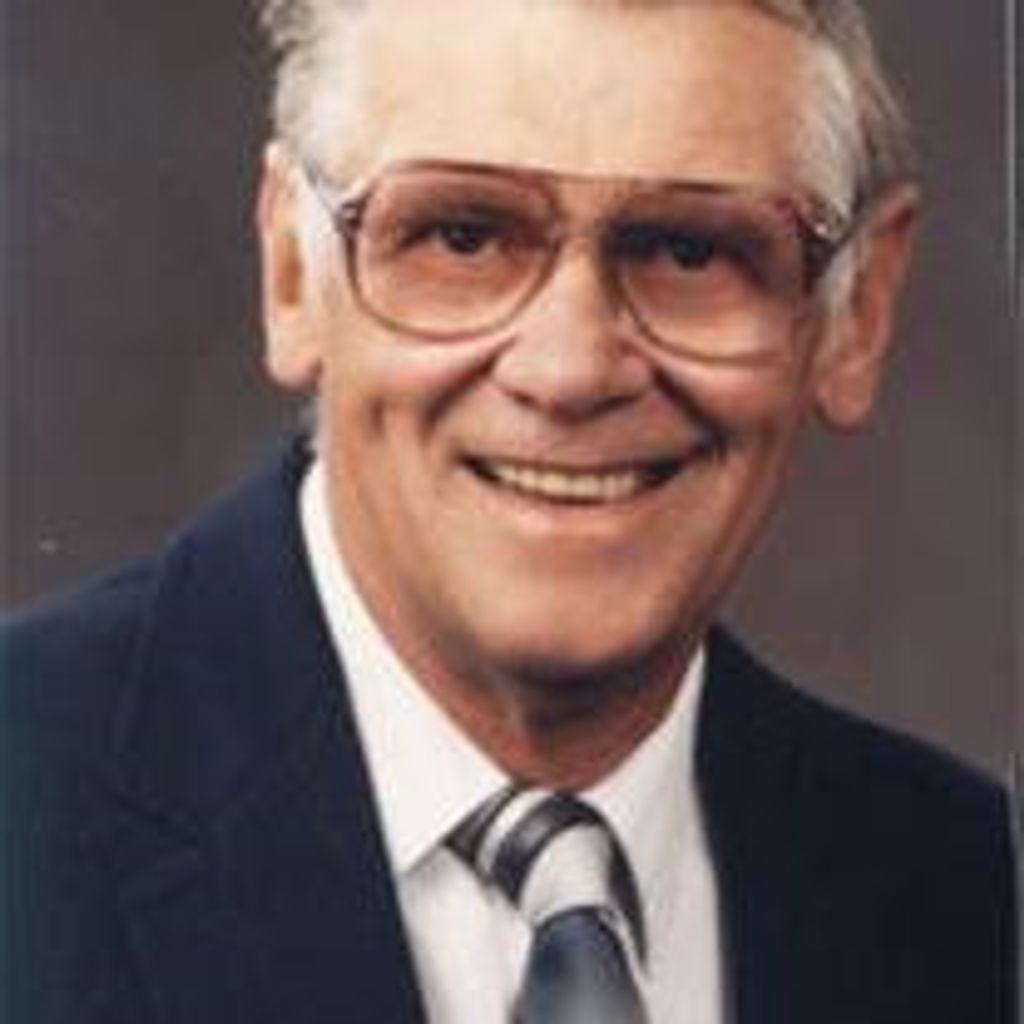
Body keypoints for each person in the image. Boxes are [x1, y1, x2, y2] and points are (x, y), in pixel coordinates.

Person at [1, 1, 1015, 1022]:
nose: (569, 370)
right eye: (463, 236)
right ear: (293, 271)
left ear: (858, 311)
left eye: (688, 251)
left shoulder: (975, 890)